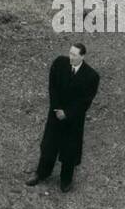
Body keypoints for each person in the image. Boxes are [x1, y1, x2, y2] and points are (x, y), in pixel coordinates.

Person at [27, 42, 100, 193]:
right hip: (55, 114)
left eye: (74, 55)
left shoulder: (91, 76)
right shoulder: (59, 64)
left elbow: (85, 102)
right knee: (49, 146)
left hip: (73, 120)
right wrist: (57, 108)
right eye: (70, 53)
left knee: (69, 150)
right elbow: (52, 87)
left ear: (82, 56)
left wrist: (67, 113)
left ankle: (66, 180)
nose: (71, 57)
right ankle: (41, 173)